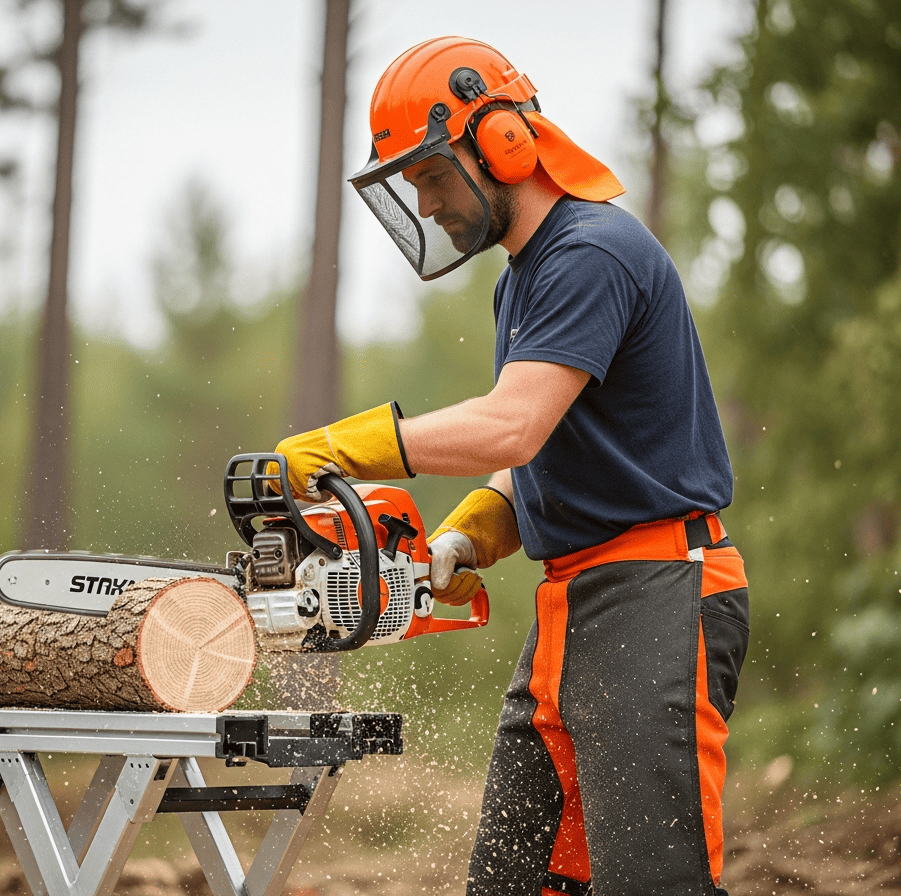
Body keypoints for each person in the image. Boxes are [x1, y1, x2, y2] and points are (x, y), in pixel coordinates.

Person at [272, 36, 749, 896]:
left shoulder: (591, 251)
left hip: (655, 590)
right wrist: (471, 534)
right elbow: (538, 445)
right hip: (571, 602)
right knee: (516, 880)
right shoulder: (522, 278)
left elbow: (514, 426)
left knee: (651, 881)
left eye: (433, 178)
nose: (429, 207)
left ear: (501, 142)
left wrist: (348, 447)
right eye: (412, 188)